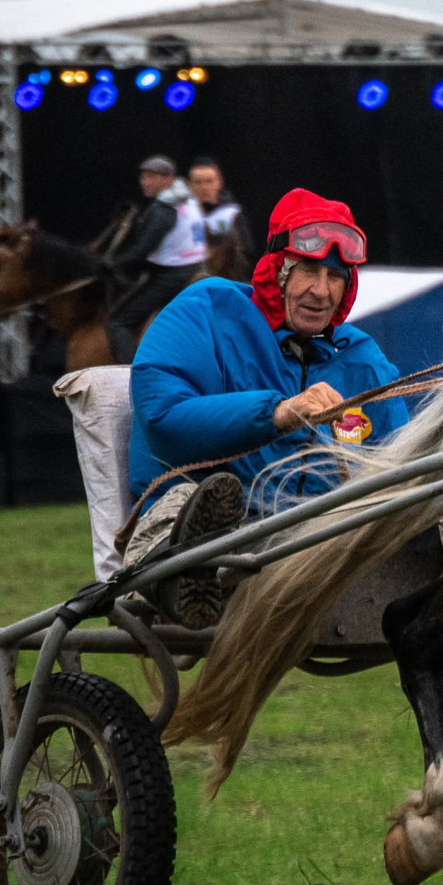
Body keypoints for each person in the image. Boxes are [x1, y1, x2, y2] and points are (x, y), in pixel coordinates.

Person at [122, 189, 408, 625]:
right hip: (211, 515)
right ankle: (181, 578)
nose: (321, 291)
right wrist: (278, 412)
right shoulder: (207, 310)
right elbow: (161, 415)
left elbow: (402, 468)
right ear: (277, 272)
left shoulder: (364, 360)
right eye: (308, 271)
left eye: (336, 277)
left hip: (314, 542)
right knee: (196, 502)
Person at [101, 155, 205, 338]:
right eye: (143, 177)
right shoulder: (188, 198)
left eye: (150, 177)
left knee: (118, 322)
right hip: (197, 269)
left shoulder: (164, 208)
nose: (144, 182)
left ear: (167, 179)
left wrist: (111, 265)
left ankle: (131, 367)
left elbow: (143, 248)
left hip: (171, 277)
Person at [187, 159, 241, 241]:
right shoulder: (182, 214)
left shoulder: (232, 214)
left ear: (220, 182)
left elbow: (245, 248)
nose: (204, 187)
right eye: (198, 182)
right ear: (190, 185)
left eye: (209, 181)